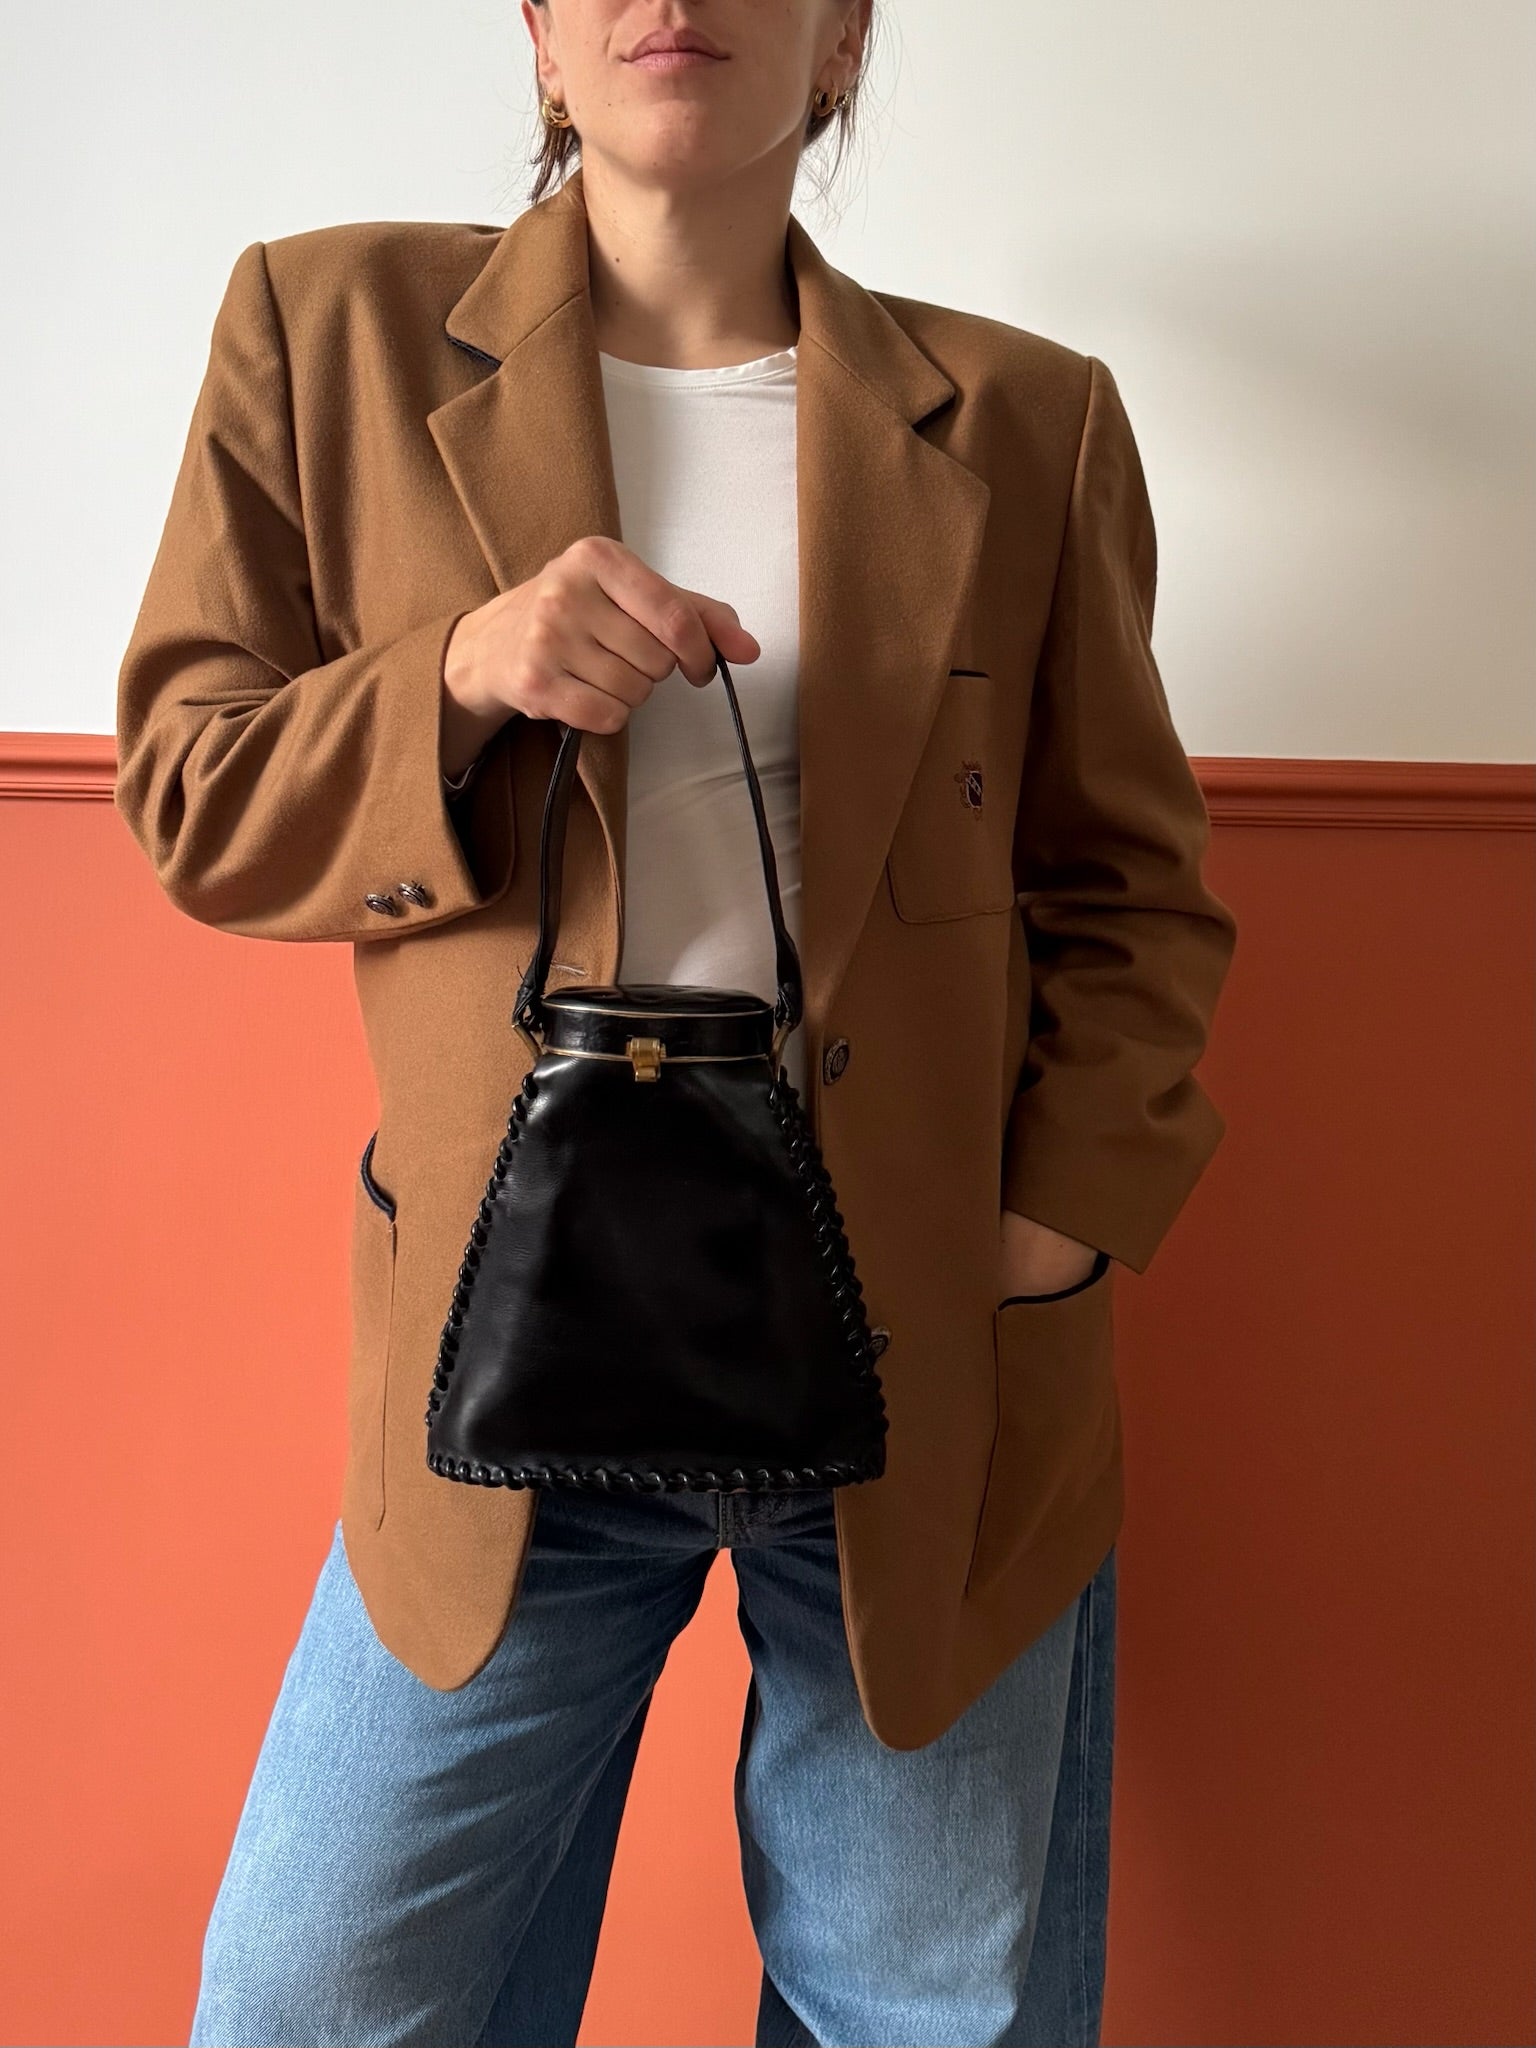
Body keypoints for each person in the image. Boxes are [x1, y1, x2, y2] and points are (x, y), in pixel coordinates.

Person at [114, 3, 1238, 2043]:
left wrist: (1043, 1237)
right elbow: (198, 795)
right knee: (316, 1995)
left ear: (841, 42)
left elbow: (1133, 890)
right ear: (541, 42)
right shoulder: (330, 332)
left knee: (925, 2010)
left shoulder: (1025, 419)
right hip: (514, 1329)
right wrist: (460, 669)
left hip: (925, 1349)